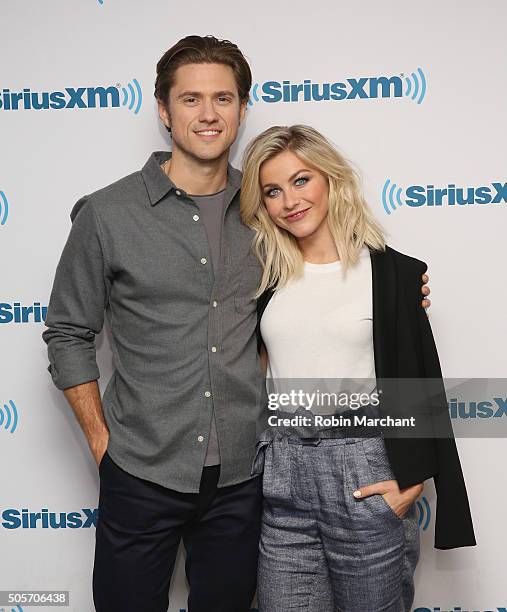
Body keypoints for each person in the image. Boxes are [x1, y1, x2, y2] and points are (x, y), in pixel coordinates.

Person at [42, 35, 431, 612]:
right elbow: (68, 333)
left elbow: (325, 290)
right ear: (163, 109)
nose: (208, 114)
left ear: (242, 109)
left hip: (246, 480)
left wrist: (397, 291)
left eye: (223, 98)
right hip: (141, 469)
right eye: (191, 99)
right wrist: (103, 446)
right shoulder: (106, 214)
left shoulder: (267, 212)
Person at [240, 124, 476, 611]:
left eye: (301, 180)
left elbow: (416, 381)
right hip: (283, 476)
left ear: (330, 179)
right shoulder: (265, 277)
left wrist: (413, 479)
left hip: (364, 469)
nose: (290, 200)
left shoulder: (393, 274)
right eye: (273, 190)